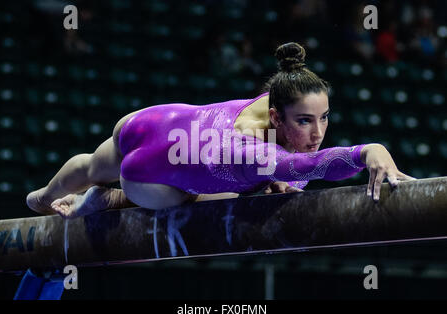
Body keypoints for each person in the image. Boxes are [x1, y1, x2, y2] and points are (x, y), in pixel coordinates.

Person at [26, 42, 415, 219]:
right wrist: (368, 151)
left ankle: (42, 196)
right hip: (143, 179)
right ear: (277, 117)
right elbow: (316, 166)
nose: (318, 133)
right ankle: (107, 200)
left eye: (324, 117)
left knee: (94, 164)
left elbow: (298, 136)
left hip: (151, 120)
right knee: (214, 202)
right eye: (304, 121)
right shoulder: (256, 153)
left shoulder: (275, 96)